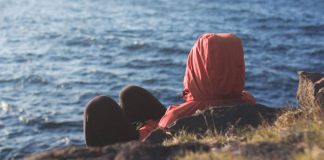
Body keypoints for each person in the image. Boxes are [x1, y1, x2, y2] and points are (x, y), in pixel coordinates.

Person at [83, 33, 256, 147]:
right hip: (189, 128)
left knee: (98, 107)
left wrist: (144, 129)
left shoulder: (177, 118)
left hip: (152, 145)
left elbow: (157, 140)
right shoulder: (248, 102)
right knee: (130, 94)